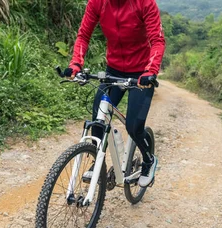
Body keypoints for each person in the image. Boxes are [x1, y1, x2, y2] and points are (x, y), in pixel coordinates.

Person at [63, 0, 165, 188]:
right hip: (114, 71)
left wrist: (150, 70)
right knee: (98, 115)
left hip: (142, 73)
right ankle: (97, 162)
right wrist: (76, 63)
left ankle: (148, 160)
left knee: (133, 126)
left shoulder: (145, 3)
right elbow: (83, 35)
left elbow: (157, 40)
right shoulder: (97, 3)